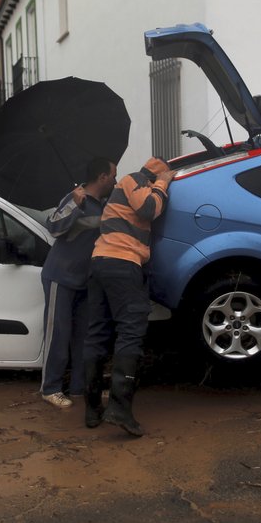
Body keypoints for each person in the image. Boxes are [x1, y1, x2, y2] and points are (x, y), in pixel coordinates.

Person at [83, 156, 174, 436]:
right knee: (131, 330)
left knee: (98, 331)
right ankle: (120, 409)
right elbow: (149, 209)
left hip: (101, 262)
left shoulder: (127, 185)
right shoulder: (134, 180)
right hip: (121, 262)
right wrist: (164, 183)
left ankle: (92, 408)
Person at [40, 157, 118, 408]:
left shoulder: (104, 204)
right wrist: (74, 205)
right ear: (103, 177)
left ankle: (78, 388)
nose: (116, 180)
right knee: (58, 335)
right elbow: (52, 226)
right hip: (60, 277)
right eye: (113, 175)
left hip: (85, 281)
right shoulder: (75, 198)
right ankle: (50, 388)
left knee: (83, 337)